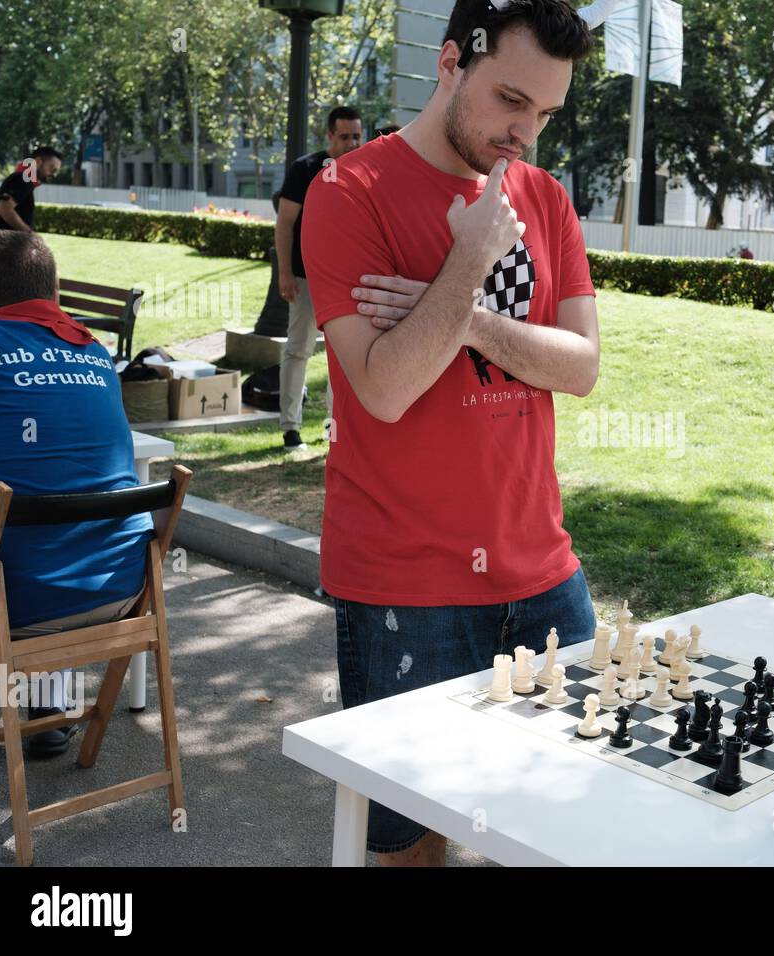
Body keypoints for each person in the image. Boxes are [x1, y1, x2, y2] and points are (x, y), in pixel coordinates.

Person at [300, 0, 599, 867]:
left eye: (544, 114)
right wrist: (469, 257)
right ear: (449, 63)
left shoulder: (545, 199)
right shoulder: (347, 190)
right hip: (405, 584)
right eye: (511, 101)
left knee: (561, 813)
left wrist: (459, 318)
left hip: (543, 569)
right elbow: (385, 388)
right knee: (408, 844)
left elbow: (579, 367)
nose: (526, 134)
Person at [0, 231, 150, 758]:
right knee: (53, 513)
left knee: (19, 542)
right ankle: (49, 712)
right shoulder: (96, 353)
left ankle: (44, 706)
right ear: (51, 292)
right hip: (122, 593)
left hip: (18, 606)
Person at [275, 106, 365, 448]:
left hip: (349, 281)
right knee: (298, 351)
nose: (352, 143)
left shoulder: (365, 168)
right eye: (344, 137)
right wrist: (285, 272)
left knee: (341, 358)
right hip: (305, 277)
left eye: (357, 136)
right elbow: (285, 223)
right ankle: (290, 428)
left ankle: (335, 433)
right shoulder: (306, 169)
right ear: (329, 136)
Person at [0, 147, 63, 233]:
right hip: (7, 243)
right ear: (38, 161)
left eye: (55, 172)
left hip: (3, 242)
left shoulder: (22, 179)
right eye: (52, 169)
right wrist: (30, 233)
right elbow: (4, 209)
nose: (54, 175)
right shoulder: (23, 179)